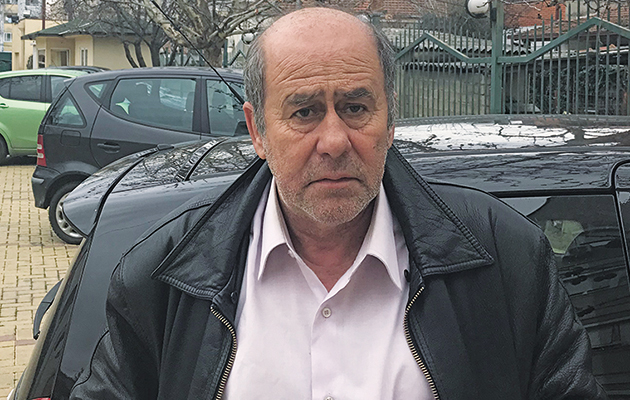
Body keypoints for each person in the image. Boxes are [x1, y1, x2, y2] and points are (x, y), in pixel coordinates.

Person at [70, 7, 606, 400]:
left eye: (355, 107)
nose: (333, 141)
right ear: (257, 131)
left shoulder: (505, 260)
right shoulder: (164, 276)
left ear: (390, 120)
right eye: (304, 112)